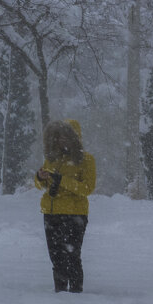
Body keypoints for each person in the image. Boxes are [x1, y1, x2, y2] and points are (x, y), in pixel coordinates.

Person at [34, 120, 96, 293]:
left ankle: (76, 292)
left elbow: (87, 188)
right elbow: (41, 186)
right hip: (51, 214)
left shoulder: (87, 160)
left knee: (72, 256)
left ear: (74, 138)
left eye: (65, 137)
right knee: (56, 257)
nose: (62, 140)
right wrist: (40, 177)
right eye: (58, 137)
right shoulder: (51, 159)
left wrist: (63, 180)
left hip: (74, 214)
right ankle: (60, 292)